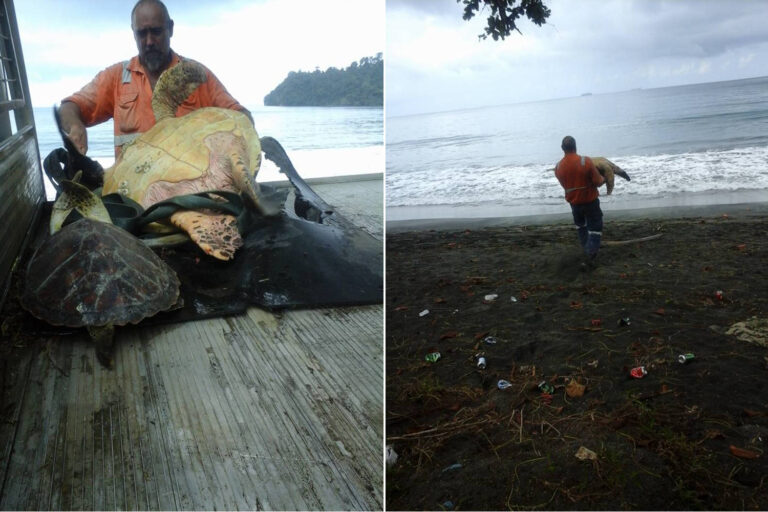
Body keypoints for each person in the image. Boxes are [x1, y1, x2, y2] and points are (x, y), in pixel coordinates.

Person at [57, 0, 252, 158]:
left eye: (156, 31)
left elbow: (241, 116)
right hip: (131, 189)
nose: (149, 41)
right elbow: (69, 107)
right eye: (142, 33)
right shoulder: (116, 77)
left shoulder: (196, 75)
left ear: (170, 28)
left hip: (189, 186)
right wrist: (75, 126)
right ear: (133, 33)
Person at [554, 135, 605, 264]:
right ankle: (589, 256)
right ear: (575, 146)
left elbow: (566, 186)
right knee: (595, 228)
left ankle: (586, 251)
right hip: (590, 202)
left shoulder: (558, 167)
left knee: (581, 227)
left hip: (574, 205)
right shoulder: (585, 162)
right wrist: (604, 177)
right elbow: (598, 182)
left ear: (562, 148)